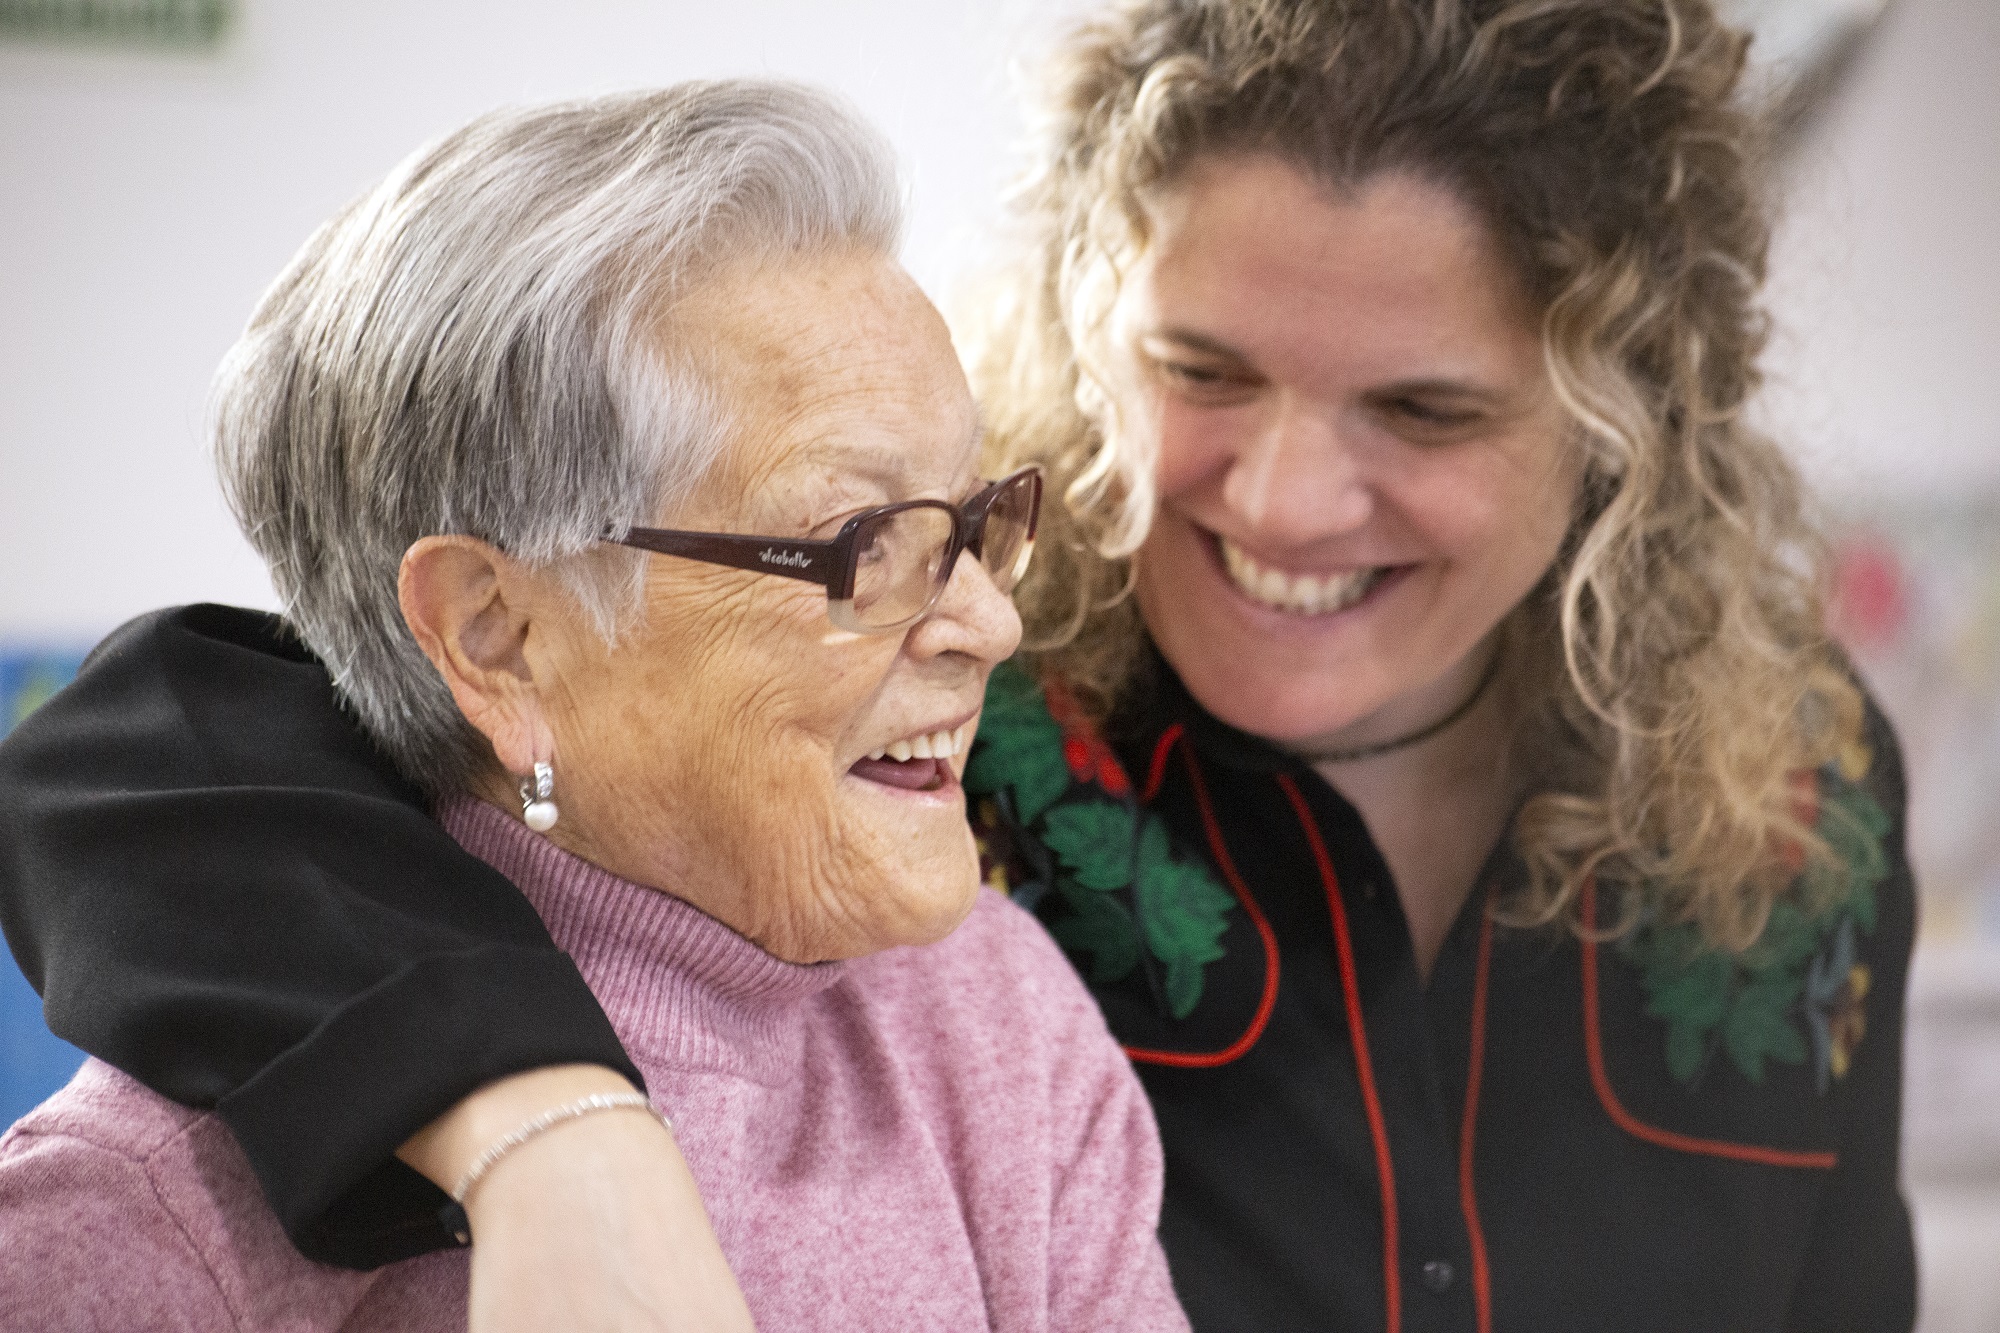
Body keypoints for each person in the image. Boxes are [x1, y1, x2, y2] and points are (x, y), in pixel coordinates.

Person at [0, 1, 1917, 1330]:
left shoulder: (1803, 793)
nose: (1284, 490)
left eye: (1424, 406)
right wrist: (551, 1119)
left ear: (1620, 425)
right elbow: (179, 748)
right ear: (1095, 328)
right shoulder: (954, 725)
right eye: (1202, 371)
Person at [0, 83, 1191, 1333]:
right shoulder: (143, 1225)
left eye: (969, 516)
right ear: (497, 636)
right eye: (861, 543)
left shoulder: (986, 1019)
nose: (988, 624)